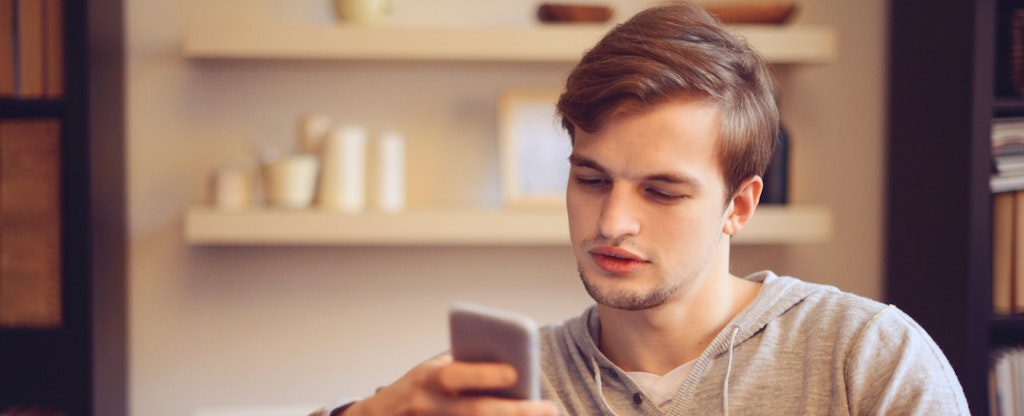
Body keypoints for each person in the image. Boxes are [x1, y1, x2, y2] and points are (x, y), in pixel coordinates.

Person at [312, 2, 970, 415]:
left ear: (738, 205)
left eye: (661, 190)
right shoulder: (508, 388)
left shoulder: (867, 358)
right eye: (592, 180)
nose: (612, 222)